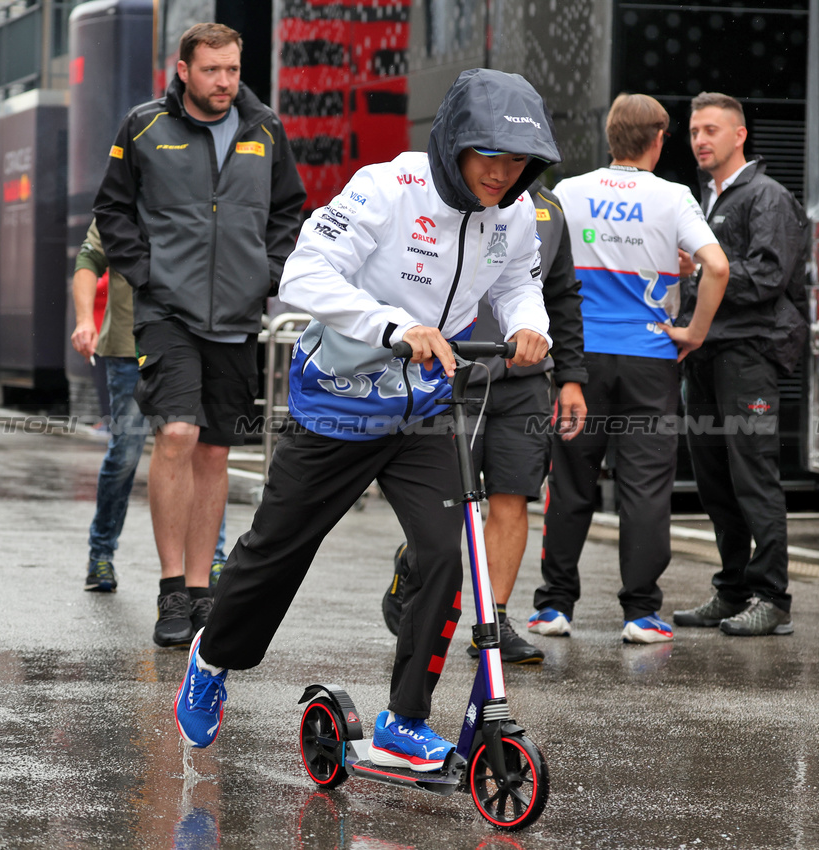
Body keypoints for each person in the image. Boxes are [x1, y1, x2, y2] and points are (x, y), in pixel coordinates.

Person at [172, 68, 560, 770]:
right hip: (337, 408)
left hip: (426, 410)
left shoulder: (513, 213)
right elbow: (302, 276)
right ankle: (212, 657)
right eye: (489, 157)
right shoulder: (387, 188)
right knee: (275, 554)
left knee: (448, 553)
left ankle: (403, 721)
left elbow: (516, 283)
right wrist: (391, 326)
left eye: (517, 161)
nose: (503, 174)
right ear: (452, 147)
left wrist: (532, 328)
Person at [93, 22, 306, 648]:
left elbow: (288, 209)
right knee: (178, 433)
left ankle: (201, 588)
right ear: (183, 69)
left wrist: (265, 275)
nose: (224, 82)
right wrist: (148, 275)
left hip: (237, 315)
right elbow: (112, 210)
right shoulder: (144, 127)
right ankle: (170, 589)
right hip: (168, 313)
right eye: (212, 70)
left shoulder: (264, 129)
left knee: (214, 449)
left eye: (233, 70)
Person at [529, 93, 730, 645]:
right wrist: (694, 330)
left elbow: (534, 266)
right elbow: (717, 265)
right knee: (645, 488)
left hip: (580, 358)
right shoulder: (673, 197)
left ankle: (553, 606)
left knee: (570, 482)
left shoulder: (568, 191)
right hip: (650, 359)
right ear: (659, 139)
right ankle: (640, 613)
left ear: (610, 135)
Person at [385, 179, 588, 665]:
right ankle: (409, 568)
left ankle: (492, 622)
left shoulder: (549, 209)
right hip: (455, 375)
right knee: (447, 503)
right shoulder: (444, 197)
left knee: (511, 495)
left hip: (524, 380)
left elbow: (560, 296)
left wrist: (572, 378)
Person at [671, 92, 810, 637]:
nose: (700, 140)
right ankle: (731, 591)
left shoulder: (767, 197)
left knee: (753, 476)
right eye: (694, 131)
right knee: (714, 480)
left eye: (711, 130)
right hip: (707, 353)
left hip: (750, 354)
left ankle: (772, 597)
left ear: (739, 135)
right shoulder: (710, 198)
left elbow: (769, 278)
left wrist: (707, 274)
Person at [69, 220, 232, 601]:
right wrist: (83, 321)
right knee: (125, 453)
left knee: (199, 447)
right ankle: (101, 553)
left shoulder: (196, 188)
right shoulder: (123, 197)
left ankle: (212, 557)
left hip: (192, 342)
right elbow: (89, 258)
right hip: (129, 345)